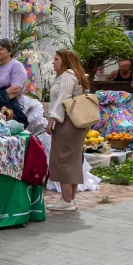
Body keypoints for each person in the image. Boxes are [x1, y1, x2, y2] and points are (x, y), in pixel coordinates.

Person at [46, 49, 89, 212]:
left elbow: (63, 99)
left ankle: (66, 199)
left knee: (63, 159)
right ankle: (70, 198)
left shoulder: (67, 76)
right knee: (73, 159)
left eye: (56, 59)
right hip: (77, 123)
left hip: (67, 122)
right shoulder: (76, 75)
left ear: (65, 60)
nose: (53, 62)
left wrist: (51, 120)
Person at [0, 38, 27, 122]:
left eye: (1, 49)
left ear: (10, 52)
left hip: (9, 110)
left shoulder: (16, 66)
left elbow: (16, 89)